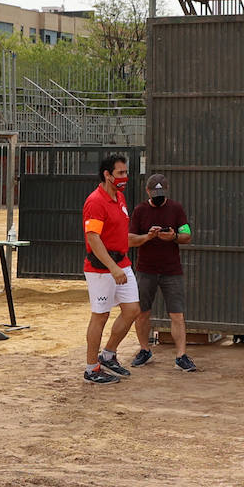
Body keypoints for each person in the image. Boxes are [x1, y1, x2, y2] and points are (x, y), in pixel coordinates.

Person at [128, 173, 197, 372]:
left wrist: (174, 236)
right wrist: (147, 237)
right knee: (142, 313)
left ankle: (181, 356)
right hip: (146, 269)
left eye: (161, 192)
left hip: (171, 270)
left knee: (177, 315)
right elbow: (129, 239)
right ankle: (144, 350)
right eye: (154, 192)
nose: (158, 196)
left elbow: (187, 235)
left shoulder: (176, 208)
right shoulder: (140, 210)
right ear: (147, 191)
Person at [81, 153, 140, 384]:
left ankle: (108, 354)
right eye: (120, 173)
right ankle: (91, 368)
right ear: (107, 175)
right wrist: (113, 267)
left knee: (132, 309)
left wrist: (145, 238)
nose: (125, 177)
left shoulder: (120, 197)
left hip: (121, 263)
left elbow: (120, 235)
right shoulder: (95, 201)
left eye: (126, 172)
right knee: (100, 316)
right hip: (101, 269)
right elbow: (93, 238)